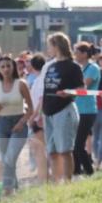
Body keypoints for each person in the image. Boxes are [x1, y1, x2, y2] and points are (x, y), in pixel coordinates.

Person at [41, 33, 83, 182]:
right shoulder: (51, 66)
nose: (48, 49)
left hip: (64, 110)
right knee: (52, 151)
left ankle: (67, 181)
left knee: (65, 150)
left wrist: (68, 93)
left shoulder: (73, 66)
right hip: (48, 111)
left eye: (49, 46)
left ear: (57, 46)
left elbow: (81, 89)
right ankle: (57, 180)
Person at [0, 55, 33, 196]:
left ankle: (7, 190)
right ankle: (15, 189)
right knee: (7, 159)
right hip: (2, 124)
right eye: (2, 67)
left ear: (14, 67)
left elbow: (31, 109)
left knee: (10, 158)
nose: (6, 69)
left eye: (8, 66)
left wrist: (21, 123)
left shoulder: (21, 84)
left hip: (19, 123)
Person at [72, 42, 100, 176]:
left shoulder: (93, 68)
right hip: (77, 109)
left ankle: (89, 171)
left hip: (87, 110)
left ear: (84, 54)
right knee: (74, 144)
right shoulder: (79, 68)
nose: (75, 55)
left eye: (77, 53)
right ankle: (76, 172)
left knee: (79, 144)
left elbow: (83, 85)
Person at [26, 54, 49, 183]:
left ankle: (43, 178)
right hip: (38, 117)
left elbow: (41, 101)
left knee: (39, 149)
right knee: (40, 149)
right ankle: (44, 176)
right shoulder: (39, 80)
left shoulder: (40, 81)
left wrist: (35, 116)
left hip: (39, 118)